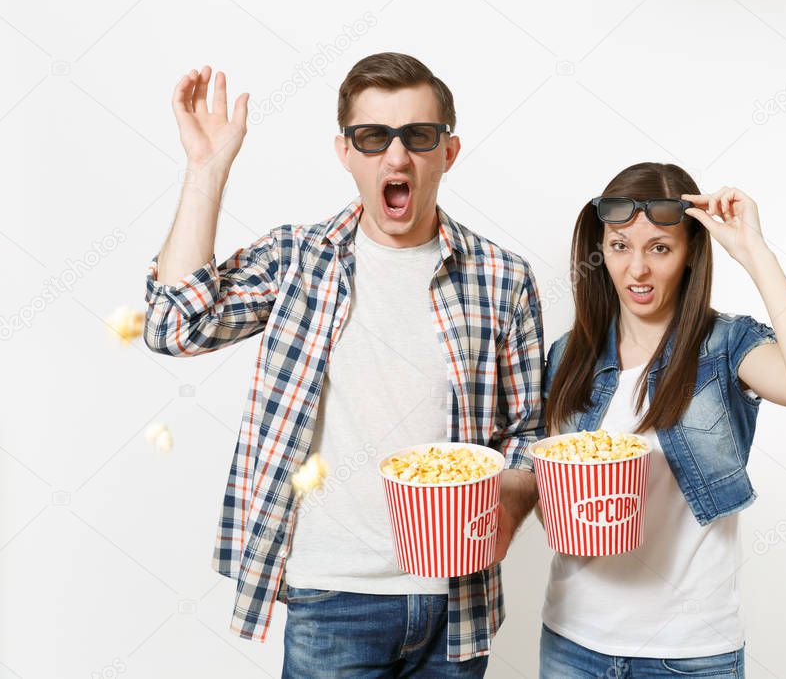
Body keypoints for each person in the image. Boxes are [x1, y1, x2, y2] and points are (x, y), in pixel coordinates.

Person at [143, 52, 543, 677]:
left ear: (449, 151)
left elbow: (525, 434)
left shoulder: (503, 279)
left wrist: (508, 516)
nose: (397, 156)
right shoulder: (297, 259)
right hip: (332, 597)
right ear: (346, 152)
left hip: (455, 605)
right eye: (373, 137)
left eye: (418, 136)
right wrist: (206, 170)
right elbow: (174, 327)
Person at [538, 162, 786, 678]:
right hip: (573, 642)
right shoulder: (569, 355)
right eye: (619, 246)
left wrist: (754, 252)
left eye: (660, 248)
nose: (637, 269)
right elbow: (554, 496)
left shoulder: (726, 346)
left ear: (688, 256)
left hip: (689, 654)